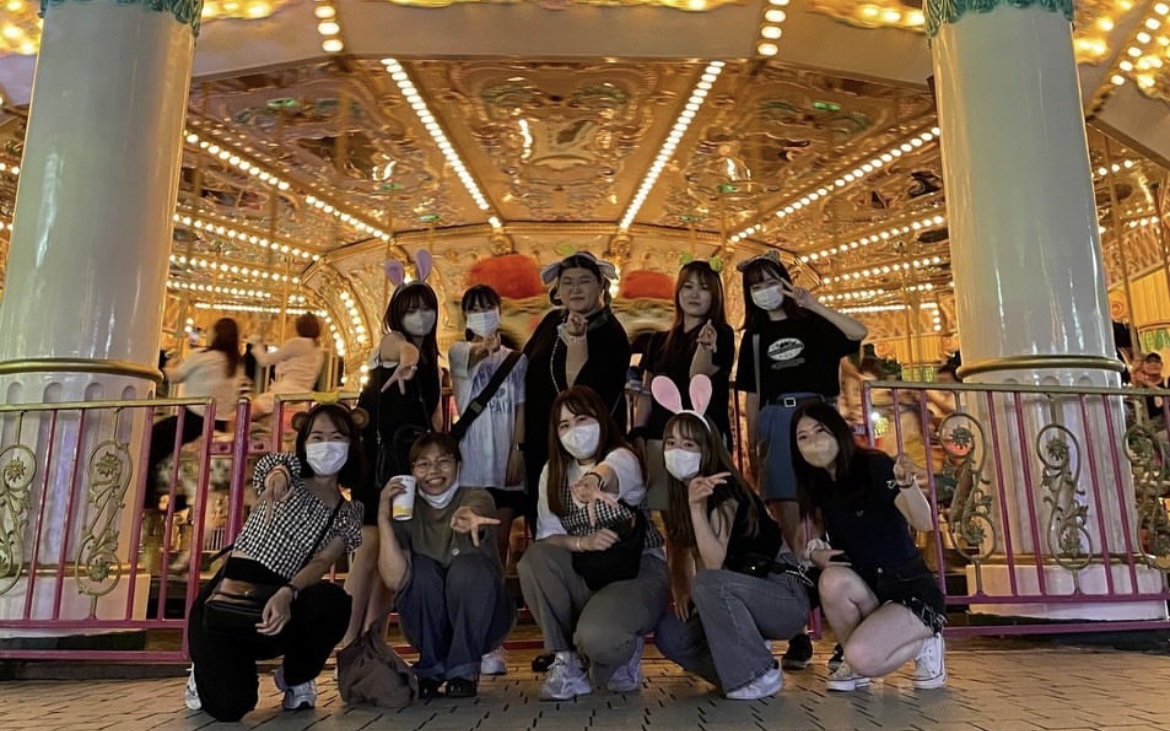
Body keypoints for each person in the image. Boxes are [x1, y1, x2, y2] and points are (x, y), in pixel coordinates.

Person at [184, 403, 366, 721]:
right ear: (304, 442)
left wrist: (288, 592)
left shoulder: (347, 511)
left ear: (351, 444)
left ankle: (296, 676)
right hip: (228, 598)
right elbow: (274, 468)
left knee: (333, 602)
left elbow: (323, 560)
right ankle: (205, 671)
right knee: (229, 707)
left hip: (278, 601)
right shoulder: (289, 471)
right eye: (317, 437)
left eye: (337, 437)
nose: (327, 445)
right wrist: (277, 478)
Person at [734, 251, 867, 671]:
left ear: (786, 282)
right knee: (788, 530)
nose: (765, 291)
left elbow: (858, 332)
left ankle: (849, 627)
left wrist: (815, 305)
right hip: (777, 420)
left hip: (818, 416)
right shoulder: (754, 339)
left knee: (834, 520)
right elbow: (753, 396)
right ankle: (798, 630)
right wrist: (755, 445)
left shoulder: (814, 324)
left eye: (771, 281)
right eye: (756, 285)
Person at [650, 376, 811, 700]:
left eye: (688, 445)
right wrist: (685, 594)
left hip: (781, 594)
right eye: (671, 443)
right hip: (738, 595)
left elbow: (713, 567)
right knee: (672, 633)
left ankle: (757, 672)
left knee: (708, 583)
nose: (677, 451)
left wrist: (697, 509)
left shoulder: (723, 489)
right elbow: (683, 553)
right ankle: (742, 671)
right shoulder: (678, 495)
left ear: (707, 449)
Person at [518, 386, 669, 701]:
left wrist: (592, 482)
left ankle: (620, 649)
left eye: (582, 419)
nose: (574, 431)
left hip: (636, 571)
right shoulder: (553, 472)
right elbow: (549, 537)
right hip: (589, 572)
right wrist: (583, 542)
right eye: (564, 425)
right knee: (535, 559)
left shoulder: (623, 456)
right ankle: (566, 660)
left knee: (599, 638)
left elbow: (610, 472)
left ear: (600, 418)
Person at [521, 252, 632, 673]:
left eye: (584, 281)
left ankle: (595, 629)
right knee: (546, 535)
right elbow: (527, 373)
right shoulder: (551, 323)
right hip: (544, 445)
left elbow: (578, 391)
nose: (575, 289)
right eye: (567, 282)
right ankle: (558, 636)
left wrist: (577, 342)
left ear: (601, 286)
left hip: (587, 449)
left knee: (590, 528)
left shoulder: (611, 333)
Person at [791, 401, 946, 692]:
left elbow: (924, 522)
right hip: (866, 586)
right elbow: (811, 538)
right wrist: (815, 553)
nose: (813, 441)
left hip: (906, 589)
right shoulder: (818, 484)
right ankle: (854, 661)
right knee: (832, 580)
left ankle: (926, 640)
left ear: (837, 431)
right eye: (803, 436)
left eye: (820, 430)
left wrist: (907, 485)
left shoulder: (873, 465)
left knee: (863, 656)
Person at [376, 433, 515, 699]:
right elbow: (394, 579)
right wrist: (384, 517)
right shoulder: (406, 511)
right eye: (423, 464)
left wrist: (470, 516)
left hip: (484, 621)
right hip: (427, 624)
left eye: (443, 461)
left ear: (458, 465)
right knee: (421, 571)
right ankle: (430, 667)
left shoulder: (476, 496)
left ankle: (463, 670)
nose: (434, 470)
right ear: (412, 472)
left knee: (469, 568)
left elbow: (478, 507)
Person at [347, 274, 445, 648]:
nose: (421, 316)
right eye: (411, 310)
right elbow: (401, 349)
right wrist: (407, 360)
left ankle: (374, 643)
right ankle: (346, 641)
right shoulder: (393, 343)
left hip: (410, 468)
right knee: (369, 547)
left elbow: (435, 419)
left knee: (393, 553)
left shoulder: (432, 365)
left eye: (427, 308)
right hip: (378, 466)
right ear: (397, 316)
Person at [449, 284, 527, 676]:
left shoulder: (517, 360)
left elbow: (521, 408)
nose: (482, 313)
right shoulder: (457, 351)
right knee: (475, 553)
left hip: (504, 467)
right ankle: (474, 635)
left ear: (499, 309)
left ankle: (494, 640)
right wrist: (484, 347)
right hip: (472, 467)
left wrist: (518, 450)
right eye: (474, 308)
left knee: (499, 553)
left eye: (488, 306)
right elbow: (474, 356)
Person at [632, 260, 736, 512]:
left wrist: (705, 346)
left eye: (704, 288)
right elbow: (646, 393)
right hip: (661, 437)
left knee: (705, 509)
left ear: (715, 295)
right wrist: (638, 433)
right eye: (688, 286)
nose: (694, 294)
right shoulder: (658, 341)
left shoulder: (722, 333)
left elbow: (698, 375)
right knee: (663, 509)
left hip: (703, 438)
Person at [148, 317, 242, 491]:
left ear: (216, 335)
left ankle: (147, 493)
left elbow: (176, 376)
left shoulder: (202, 355)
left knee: (151, 439)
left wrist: (161, 370)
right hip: (220, 424)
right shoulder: (236, 364)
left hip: (194, 421)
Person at [250, 313, 326, 417]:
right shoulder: (318, 351)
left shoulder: (297, 343)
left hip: (286, 391)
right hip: (305, 394)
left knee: (243, 413)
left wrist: (256, 344)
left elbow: (264, 360)